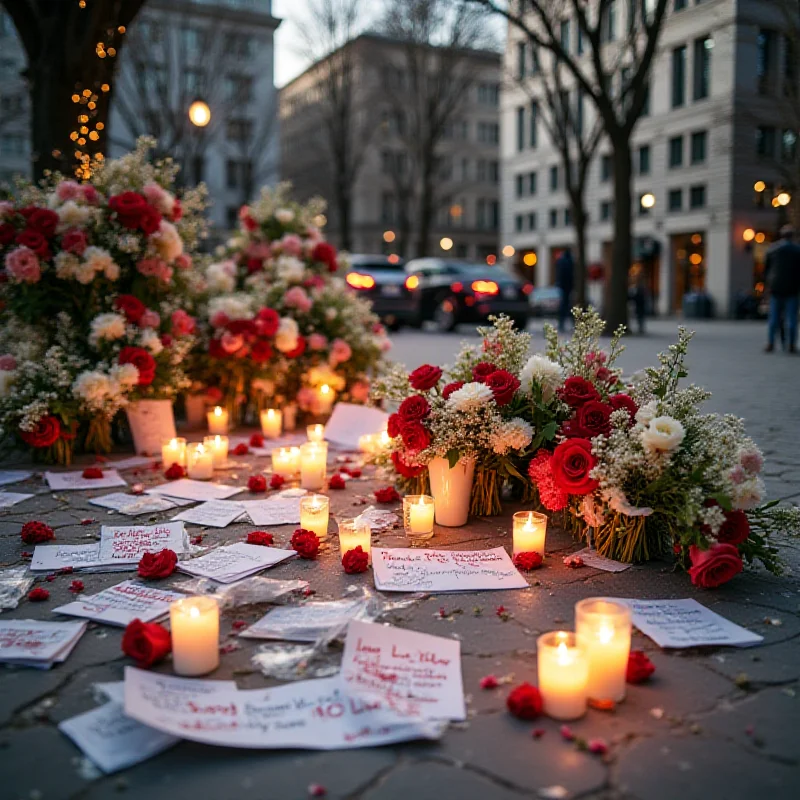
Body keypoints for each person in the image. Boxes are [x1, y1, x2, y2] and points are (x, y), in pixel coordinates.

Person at [764, 225, 800, 353]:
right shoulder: (797, 250)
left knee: (774, 318)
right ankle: (791, 344)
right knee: (791, 318)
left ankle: (771, 343)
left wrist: (768, 286)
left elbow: (767, 270)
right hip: (792, 289)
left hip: (776, 288)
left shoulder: (773, 249)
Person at [555, 248, 574, 332]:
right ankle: (570, 323)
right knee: (567, 305)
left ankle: (562, 324)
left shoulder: (561, 261)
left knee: (564, 305)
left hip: (563, 286)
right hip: (568, 286)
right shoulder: (570, 261)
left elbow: (559, 274)